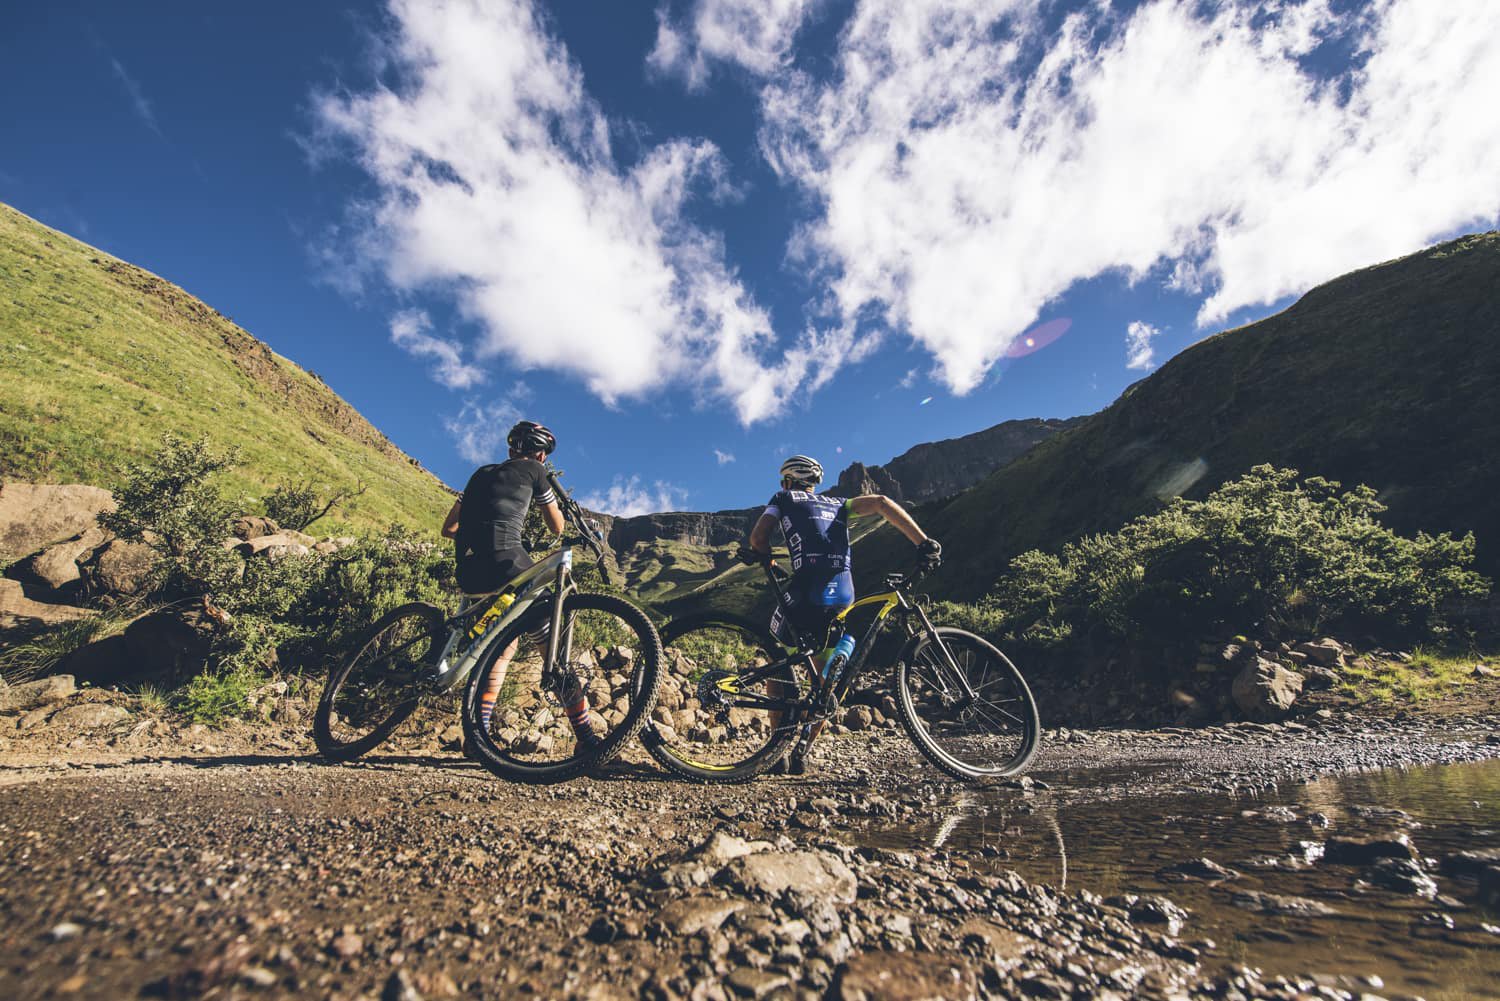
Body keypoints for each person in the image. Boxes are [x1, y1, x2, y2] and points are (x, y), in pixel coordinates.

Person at [740, 454, 940, 775]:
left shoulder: (784, 497)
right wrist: (923, 542)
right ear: (814, 483)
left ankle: (778, 749)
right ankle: (803, 750)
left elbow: (758, 538)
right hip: (842, 597)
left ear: (789, 480)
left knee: (780, 664)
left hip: (804, 596)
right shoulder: (839, 504)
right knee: (825, 682)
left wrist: (767, 561)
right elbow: (882, 502)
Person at [440, 420, 602, 752]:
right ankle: (586, 737)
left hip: (469, 571)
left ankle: (476, 736)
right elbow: (556, 527)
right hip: (507, 565)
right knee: (551, 649)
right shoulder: (536, 470)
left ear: (511, 447)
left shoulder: (480, 473)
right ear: (541, 454)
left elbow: (449, 528)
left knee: (501, 647)